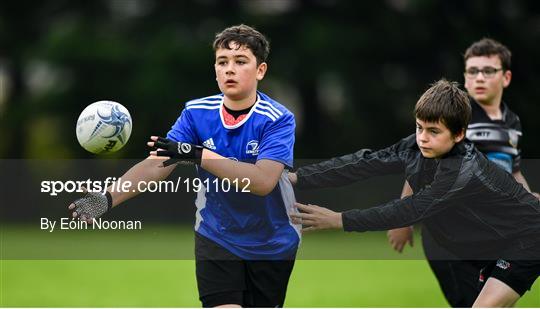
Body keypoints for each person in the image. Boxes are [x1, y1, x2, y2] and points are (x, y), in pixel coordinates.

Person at [68, 24, 299, 308]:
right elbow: (159, 163)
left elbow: (263, 182)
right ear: (214, 69)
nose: (230, 69)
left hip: (271, 243)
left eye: (240, 62)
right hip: (217, 235)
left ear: (260, 70)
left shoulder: (278, 119)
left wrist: (199, 155)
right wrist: (107, 198)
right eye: (222, 62)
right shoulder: (196, 112)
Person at [289, 79, 540, 307]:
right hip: (486, 245)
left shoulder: (463, 170)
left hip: (527, 239)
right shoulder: (414, 146)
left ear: (459, 134)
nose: (423, 138)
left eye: (433, 131)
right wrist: (299, 177)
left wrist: (339, 220)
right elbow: (364, 163)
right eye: (419, 127)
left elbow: (410, 209)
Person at [386, 38, 539, 307]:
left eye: (488, 71)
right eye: (471, 71)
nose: (479, 78)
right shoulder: (455, 117)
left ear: (506, 77)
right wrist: (403, 219)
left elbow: (512, 172)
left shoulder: (511, 122)